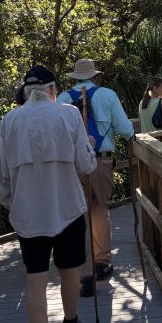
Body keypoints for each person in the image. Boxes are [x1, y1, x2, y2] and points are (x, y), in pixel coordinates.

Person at [0, 65, 96, 323]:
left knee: (35, 279)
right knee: (70, 270)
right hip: (67, 207)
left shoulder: (10, 121)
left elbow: (3, 180)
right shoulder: (68, 115)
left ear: (26, 91)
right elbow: (86, 165)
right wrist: (89, 145)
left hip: (28, 214)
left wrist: (15, 204)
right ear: (53, 89)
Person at [58, 58, 135, 297]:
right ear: (95, 77)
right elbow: (125, 130)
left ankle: (84, 271)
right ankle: (101, 263)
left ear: (74, 78)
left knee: (77, 214)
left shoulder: (61, 100)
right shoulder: (108, 95)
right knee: (99, 209)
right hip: (100, 161)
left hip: (71, 165)